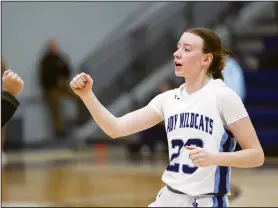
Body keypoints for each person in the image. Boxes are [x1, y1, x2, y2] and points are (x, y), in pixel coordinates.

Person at [70, 27, 265, 207]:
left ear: (206, 59)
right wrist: (87, 95)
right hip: (168, 198)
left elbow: (256, 155)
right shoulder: (167, 99)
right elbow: (115, 128)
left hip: (205, 201)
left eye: (187, 49)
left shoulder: (224, 97)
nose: (177, 53)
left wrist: (214, 158)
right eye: (178, 47)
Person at [38, 39, 84, 137]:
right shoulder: (45, 61)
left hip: (63, 85)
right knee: (56, 105)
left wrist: (64, 79)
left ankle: (80, 119)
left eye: (55, 47)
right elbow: (44, 77)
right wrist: (55, 82)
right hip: (52, 88)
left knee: (80, 95)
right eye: (52, 47)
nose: (54, 49)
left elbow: (67, 69)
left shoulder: (61, 58)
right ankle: (59, 129)